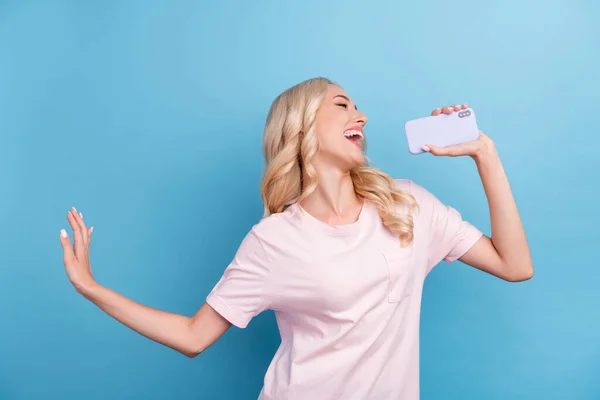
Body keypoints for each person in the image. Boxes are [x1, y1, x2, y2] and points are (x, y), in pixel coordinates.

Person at [59, 77, 533, 399]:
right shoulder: (274, 242)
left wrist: (484, 155)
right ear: (302, 126)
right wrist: (93, 289)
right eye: (343, 105)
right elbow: (192, 336)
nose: (362, 116)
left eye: (358, 106)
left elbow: (515, 266)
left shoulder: (407, 205)